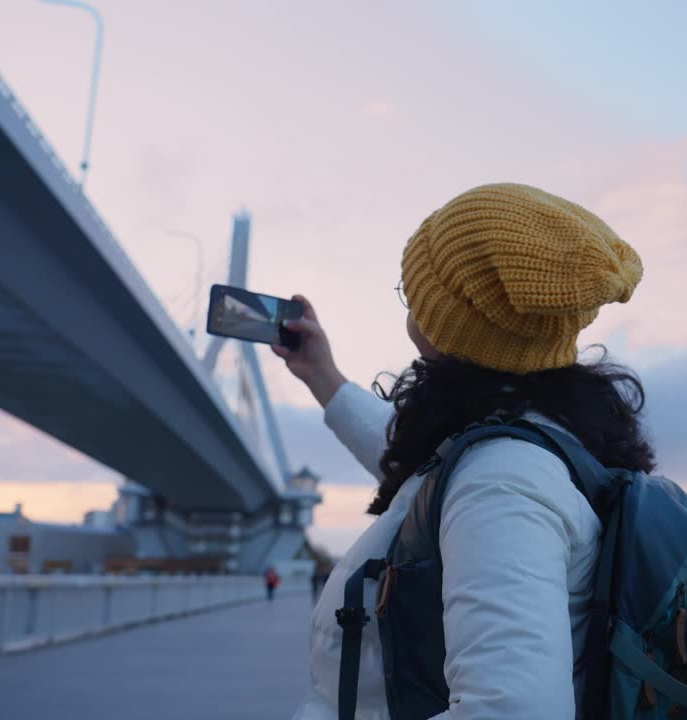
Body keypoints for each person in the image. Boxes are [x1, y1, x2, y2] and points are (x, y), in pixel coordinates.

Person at [274, 183, 649, 719]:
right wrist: (322, 375)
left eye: (412, 291)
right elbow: (424, 485)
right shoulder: (518, 437)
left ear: (449, 320)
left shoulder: (502, 480)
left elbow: (515, 711)